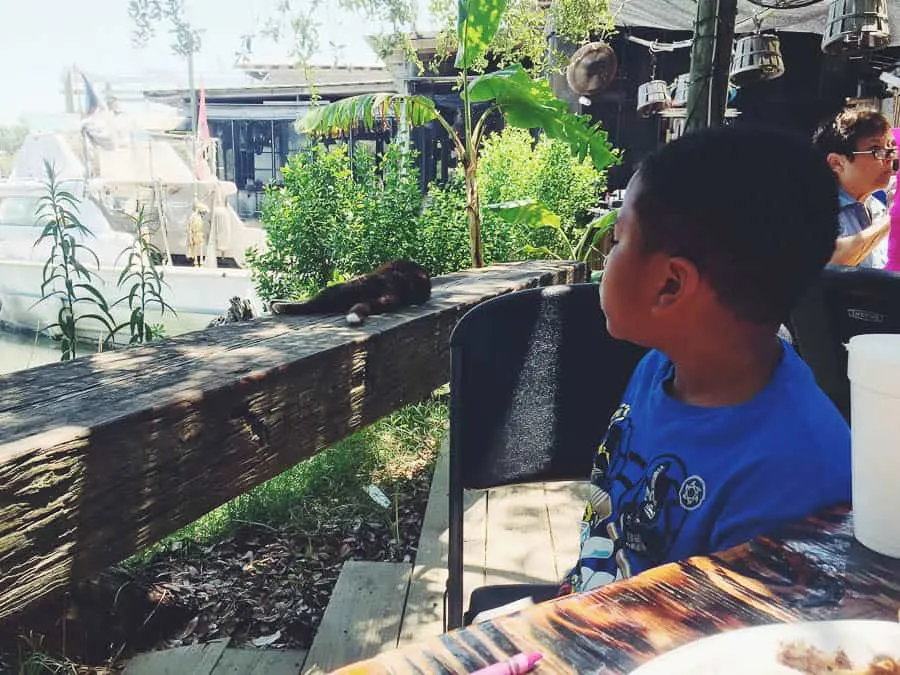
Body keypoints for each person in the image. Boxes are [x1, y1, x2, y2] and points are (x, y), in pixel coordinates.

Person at [562, 126, 850, 594]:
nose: (603, 261)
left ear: (670, 286)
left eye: (616, 240)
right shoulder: (661, 367)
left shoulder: (794, 479)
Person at [812, 109, 896, 268]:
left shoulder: (877, 208)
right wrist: (893, 216)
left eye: (890, 148)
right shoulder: (817, 209)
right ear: (836, 163)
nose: (889, 157)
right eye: (877, 150)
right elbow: (828, 262)